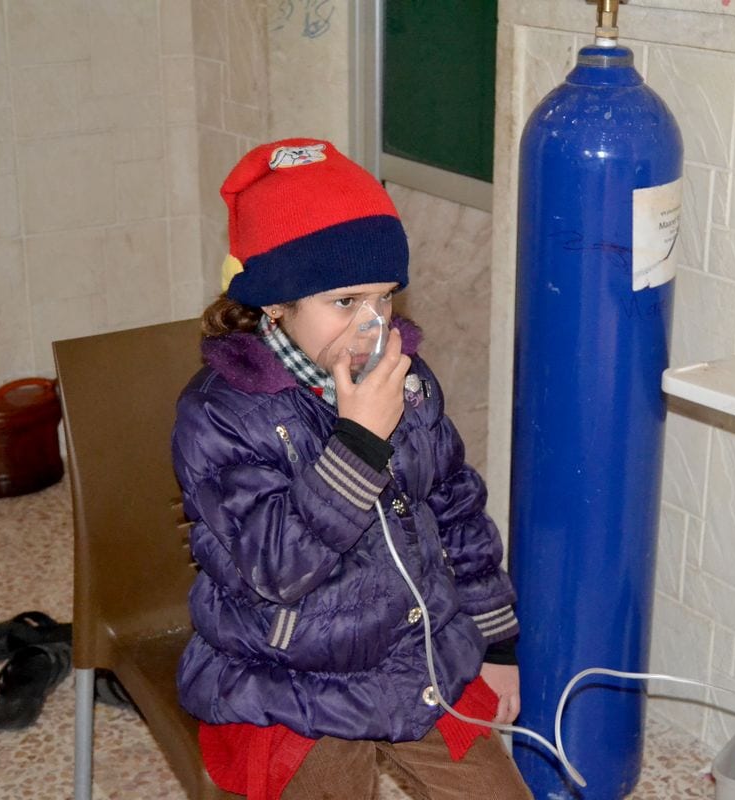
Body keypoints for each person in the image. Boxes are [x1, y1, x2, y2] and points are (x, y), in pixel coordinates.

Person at [171, 137, 532, 800]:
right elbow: (275, 570)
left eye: (384, 298)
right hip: (291, 679)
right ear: (274, 303)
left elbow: (455, 508)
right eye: (345, 302)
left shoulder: (407, 382)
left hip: (412, 659)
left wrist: (496, 642)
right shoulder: (220, 415)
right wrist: (358, 441)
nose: (372, 325)